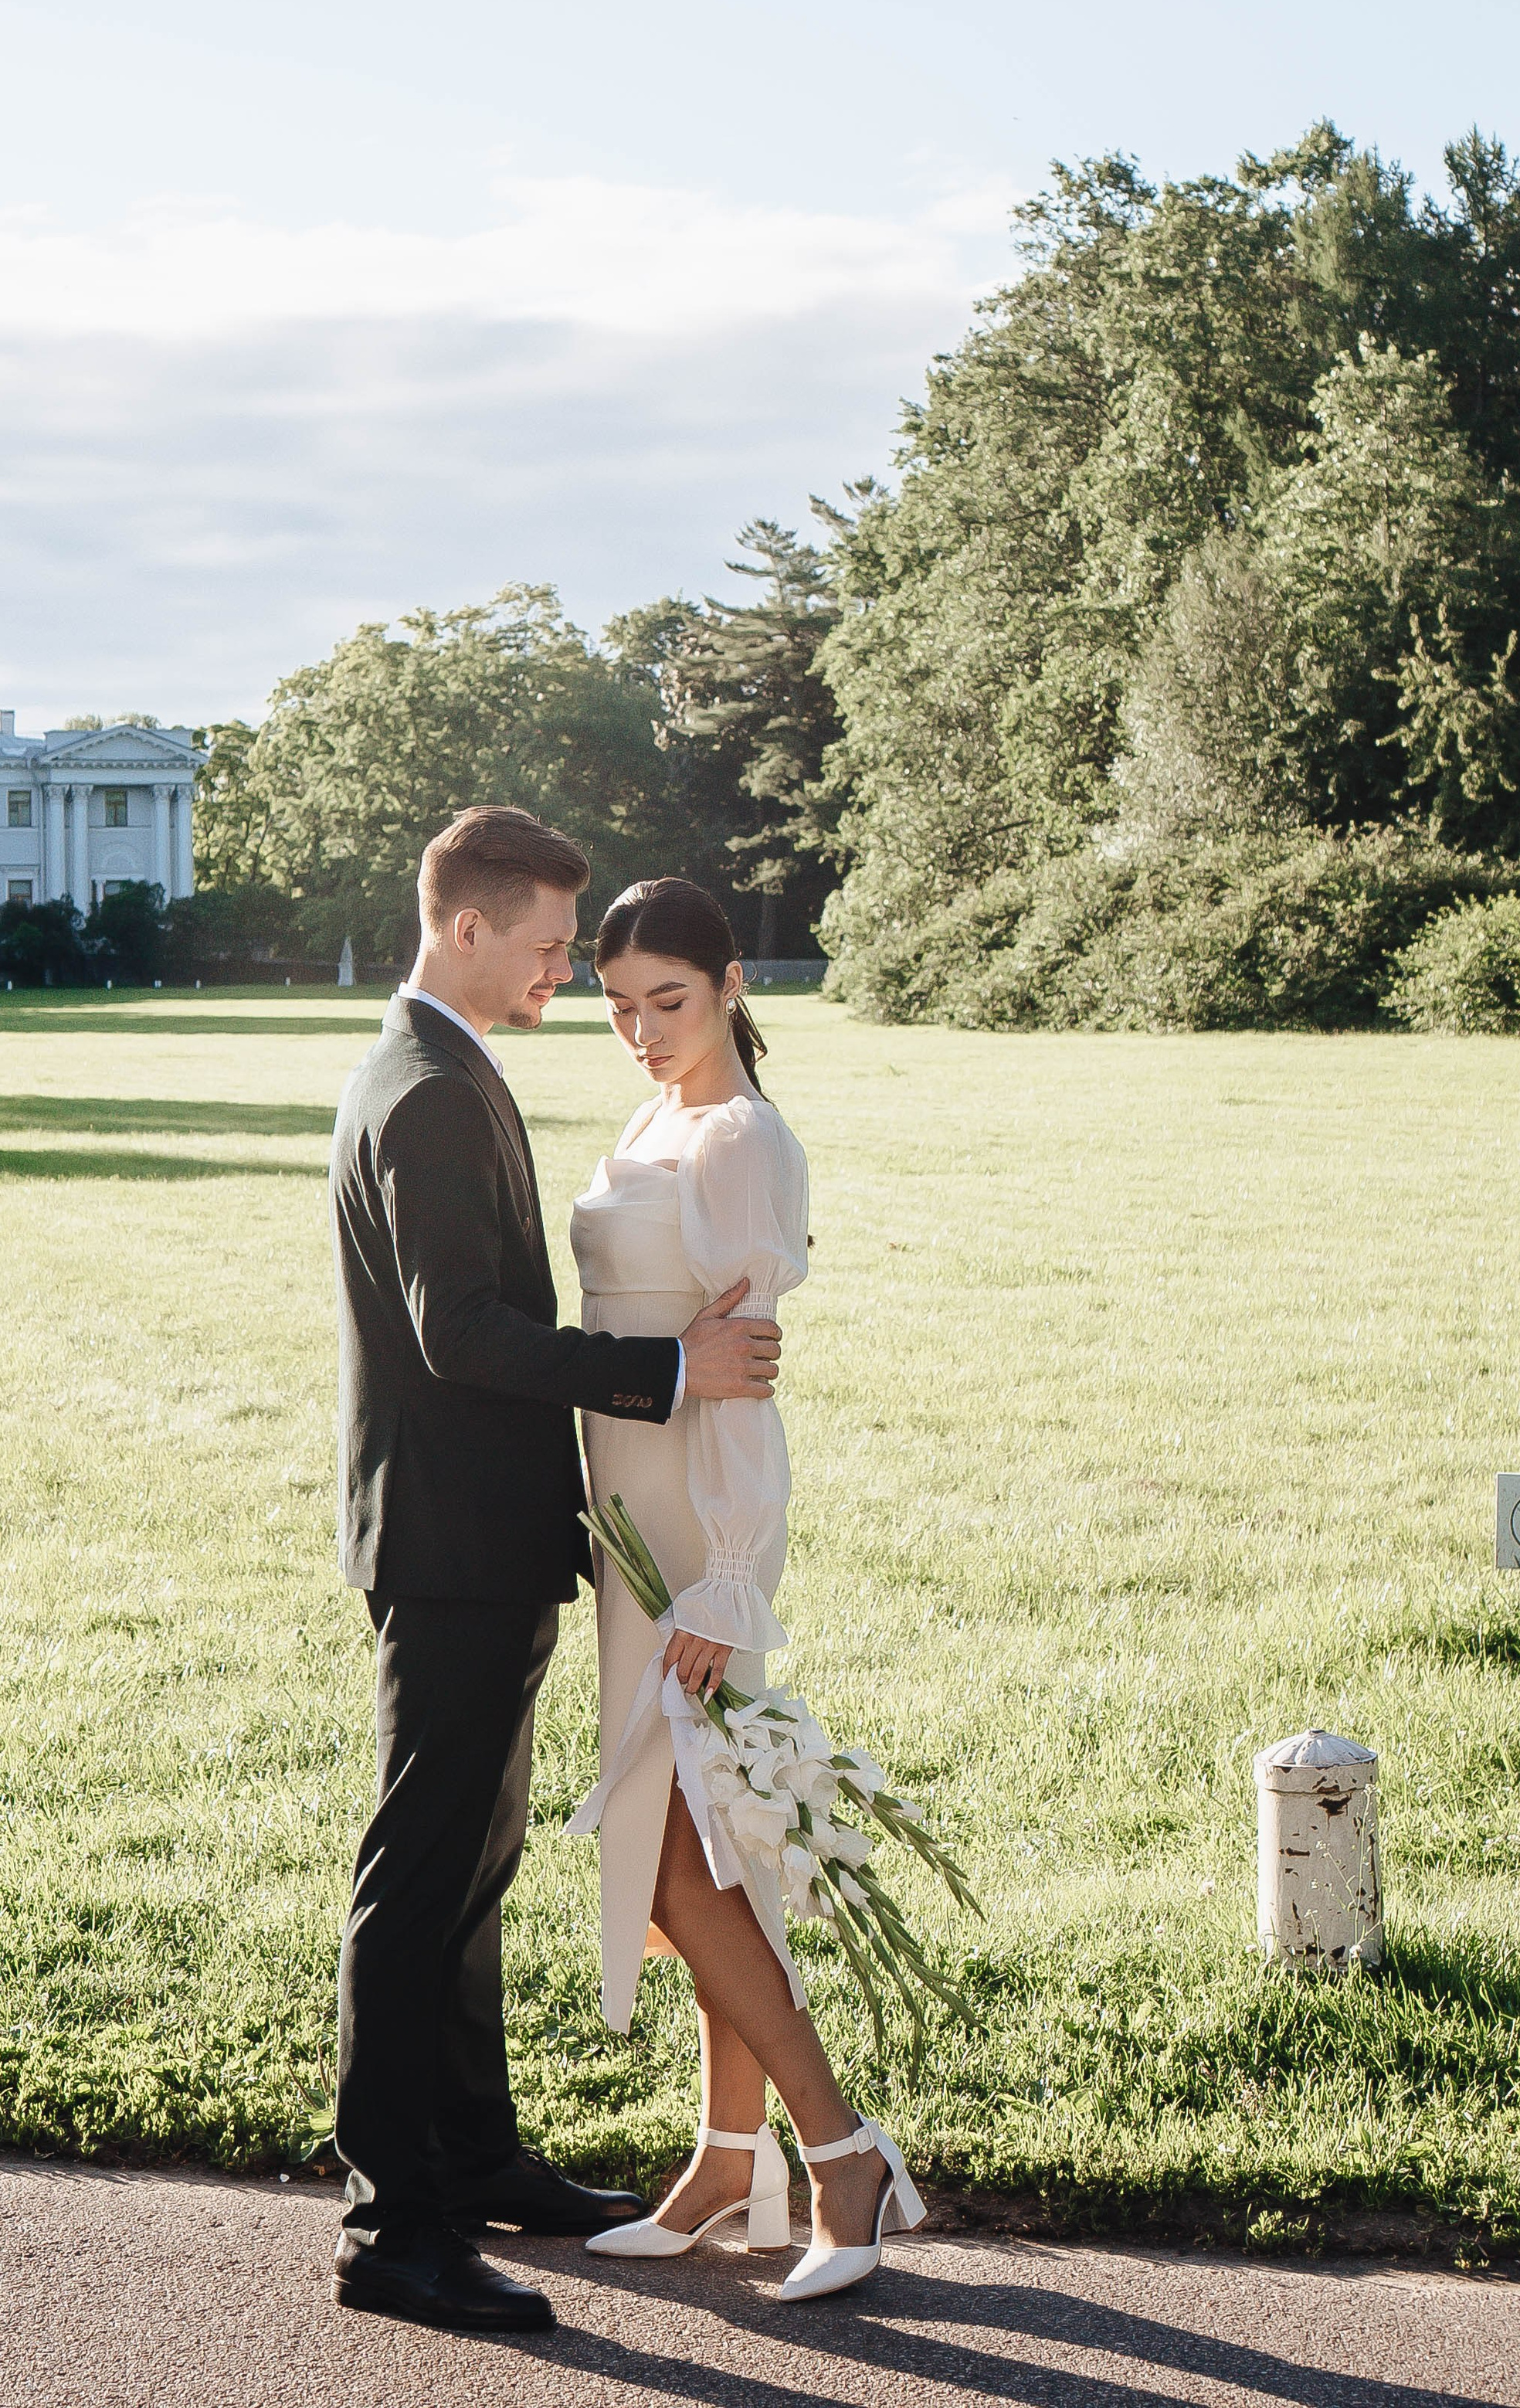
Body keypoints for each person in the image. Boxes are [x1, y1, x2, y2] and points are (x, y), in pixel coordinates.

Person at [327, 807, 784, 2337]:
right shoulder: (427, 1092)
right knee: (420, 1879)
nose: (554, 980)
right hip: (449, 1548)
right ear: (465, 926)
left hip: (485, 1541)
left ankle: (477, 2157)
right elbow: (461, 1335)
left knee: (474, 1870)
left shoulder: (444, 1070)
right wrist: (669, 1366)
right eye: (539, 950)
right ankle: (396, 2229)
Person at [566, 877, 925, 2304]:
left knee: (678, 1854)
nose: (644, 1032)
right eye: (618, 1008)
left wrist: (723, 1578)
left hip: (692, 1534)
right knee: (706, 1849)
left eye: (670, 1000)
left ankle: (839, 2152)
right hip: (622, 1526)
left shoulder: (737, 1141)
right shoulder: (653, 1119)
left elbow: (745, 1387)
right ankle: (731, 2158)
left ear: (729, 986)